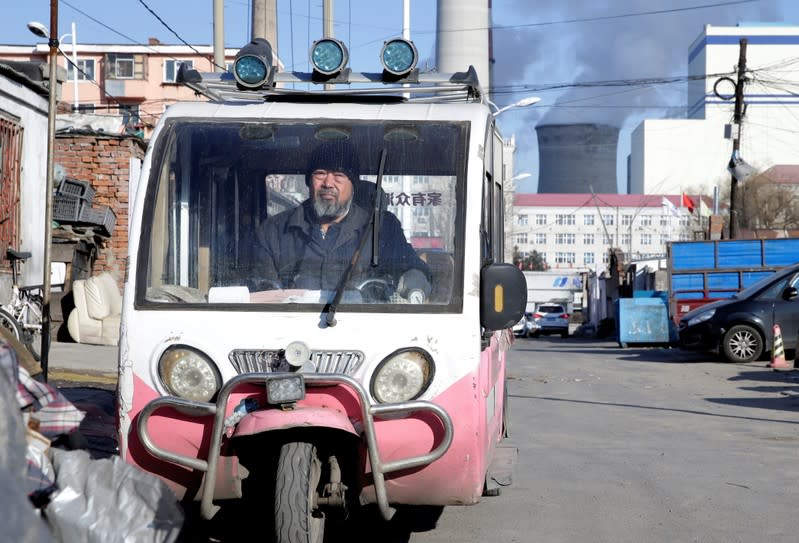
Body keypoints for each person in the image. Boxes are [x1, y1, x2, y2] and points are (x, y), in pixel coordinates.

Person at [255, 140, 431, 302]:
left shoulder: (381, 229)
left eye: (338, 175)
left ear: (353, 184)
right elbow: (260, 288)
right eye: (320, 174)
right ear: (309, 181)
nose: (328, 183)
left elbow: (413, 268)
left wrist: (413, 282)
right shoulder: (274, 230)